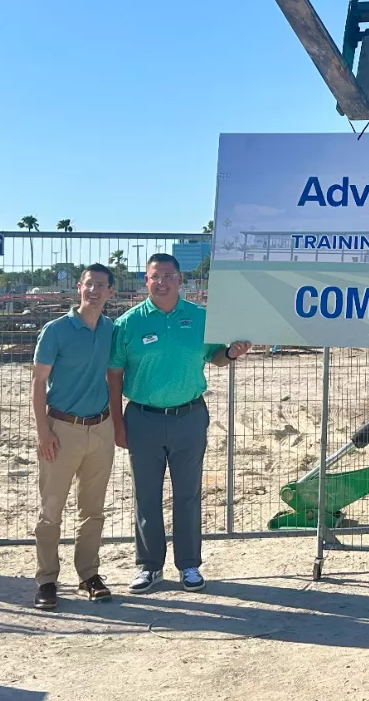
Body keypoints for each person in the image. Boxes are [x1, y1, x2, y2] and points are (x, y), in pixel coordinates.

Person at [108, 253, 250, 594]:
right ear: (146, 280)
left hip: (189, 418)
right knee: (146, 496)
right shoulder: (128, 324)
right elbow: (114, 377)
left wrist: (230, 354)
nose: (162, 282)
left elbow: (215, 356)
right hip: (143, 419)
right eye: (156, 276)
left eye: (169, 276)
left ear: (179, 280)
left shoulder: (200, 318)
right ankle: (149, 566)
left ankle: (189, 565)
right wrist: (117, 424)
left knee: (188, 495)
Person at [31, 264, 117, 610]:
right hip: (61, 429)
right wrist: (43, 431)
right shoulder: (56, 331)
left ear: (111, 292)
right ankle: (47, 580)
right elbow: (38, 383)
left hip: (101, 428)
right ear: (79, 288)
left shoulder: (113, 330)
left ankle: (89, 575)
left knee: (93, 510)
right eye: (88, 285)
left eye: (100, 286)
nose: (93, 291)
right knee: (51, 510)